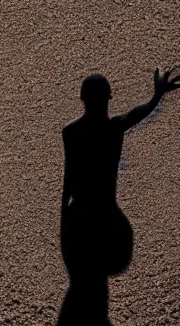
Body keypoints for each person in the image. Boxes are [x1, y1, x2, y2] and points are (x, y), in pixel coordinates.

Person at [60, 66, 179, 280]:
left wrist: (64, 212)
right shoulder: (112, 128)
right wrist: (156, 96)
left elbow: (70, 173)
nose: (99, 104)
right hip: (104, 216)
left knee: (86, 276)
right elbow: (136, 114)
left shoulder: (73, 131)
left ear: (82, 99)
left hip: (88, 215)